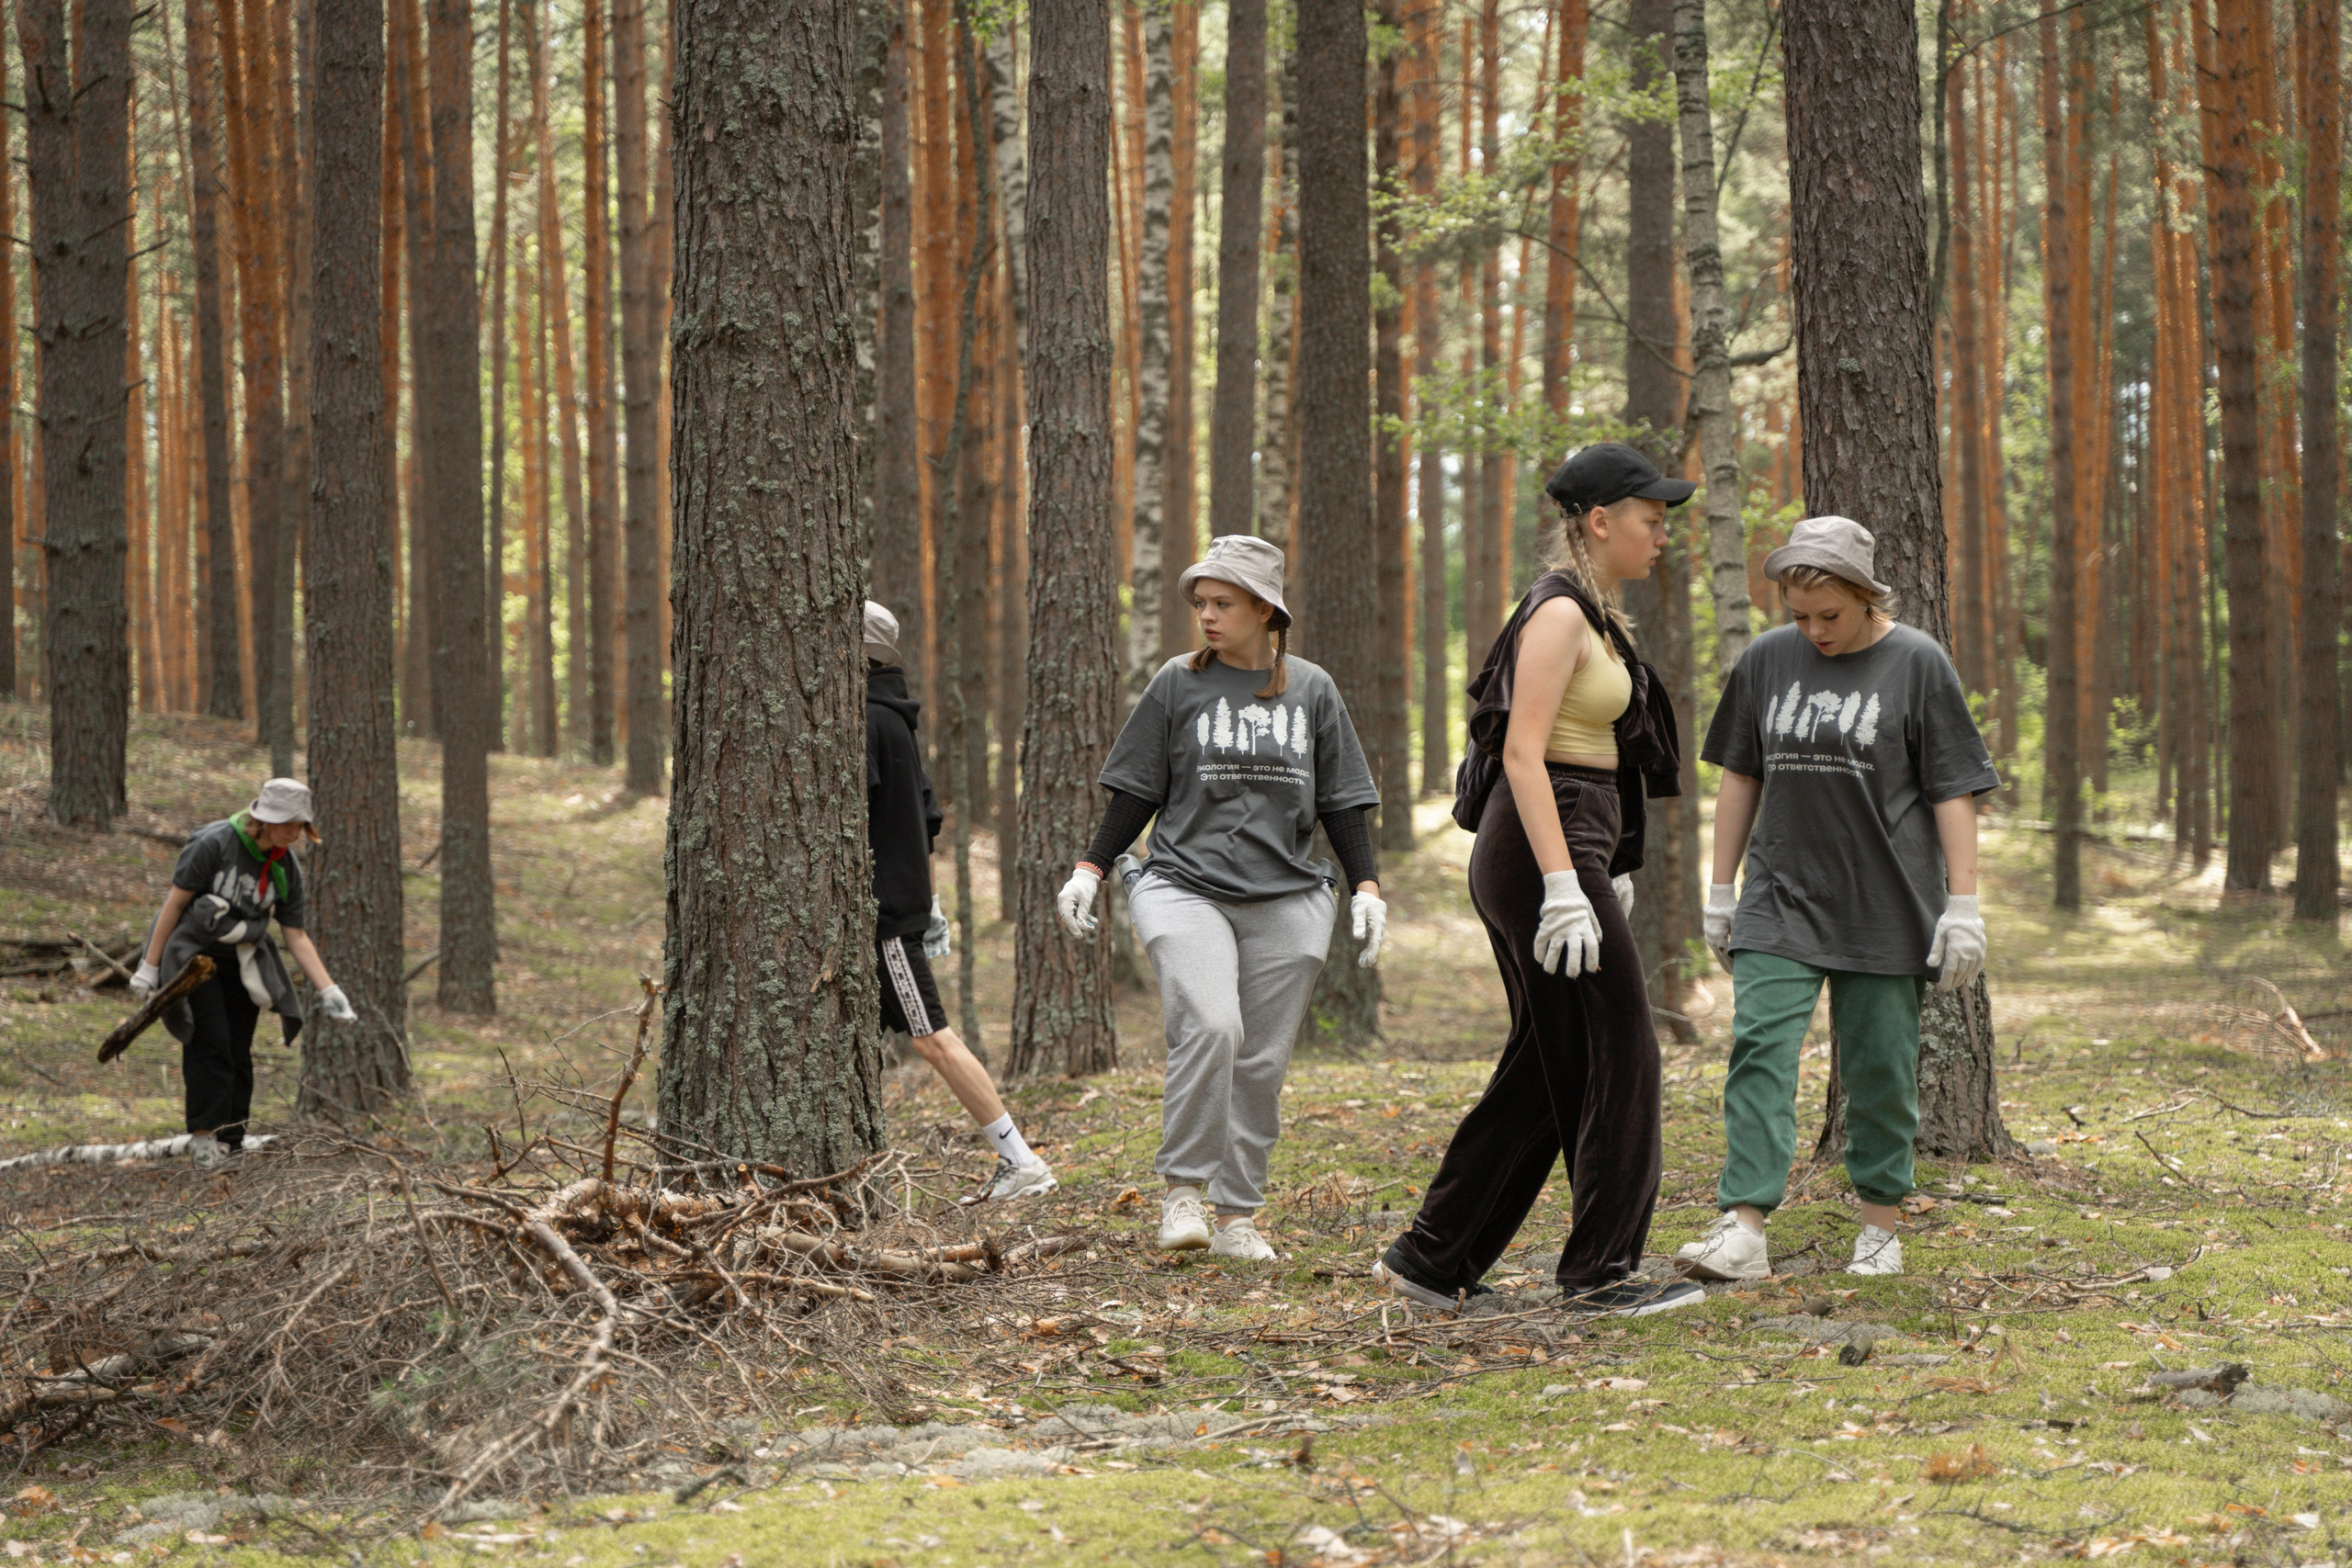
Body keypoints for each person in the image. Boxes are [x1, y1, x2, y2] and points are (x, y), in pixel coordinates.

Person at [1373, 442, 1705, 1319]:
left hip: (1568, 838)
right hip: (1535, 843)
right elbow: (1522, 753)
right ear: (1600, 522)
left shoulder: (1594, 614)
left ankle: (1429, 1260)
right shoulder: (1557, 614)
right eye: (1649, 518)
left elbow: (1595, 758)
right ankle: (1602, 1273)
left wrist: (1601, 866)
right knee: (1621, 1053)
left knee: (1548, 1064)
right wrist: (1563, 883)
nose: (1660, 534)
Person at [1674, 515, 1996, 1282]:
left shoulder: (1918, 663)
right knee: (1759, 1051)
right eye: (1799, 615)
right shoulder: (1765, 660)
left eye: (1831, 615)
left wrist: (1964, 905)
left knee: (1882, 1068)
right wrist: (1720, 892)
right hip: (1781, 895)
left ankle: (1880, 1226)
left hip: (1885, 906)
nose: (1814, 630)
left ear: (1865, 597)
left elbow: (1954, 788)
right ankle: (1744, 1227)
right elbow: (1740, 777)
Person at [1055, 534, 1385, 1263]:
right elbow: (1137, 784)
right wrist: (1091, 866)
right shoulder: (1178, 681)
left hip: (1288, 894)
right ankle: (1182, 1191)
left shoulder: (1312, 688)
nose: (1206, 614)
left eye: (1222, 602)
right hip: (1182, 884)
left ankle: (1238, 1215)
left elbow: (1341, 800)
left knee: (1261, 1059)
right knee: (1211, 1023)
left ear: (1265, 610)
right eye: (1199, 601)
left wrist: (1365, 885)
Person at [865, 601, 1057, 1204]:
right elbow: (926, 816)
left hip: (889, 918)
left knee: (932, 1038)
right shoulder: (893, 718)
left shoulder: (869, 720)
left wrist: (912, 903)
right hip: (899, 904)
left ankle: (1020, 1159)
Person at [129, 779, 357, 1171]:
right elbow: (173, 905)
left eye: (299, 824)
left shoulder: (287, 867)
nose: (292, 831)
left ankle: (231, 1144)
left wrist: (329, 989)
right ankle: (203, 1140)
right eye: (285, 821)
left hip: (244, 960)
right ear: (262, 818)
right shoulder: (215, 844)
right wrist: (149, 967)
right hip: (194, 958)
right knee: (210, 1042)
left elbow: (295, 935)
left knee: (238, 1051)